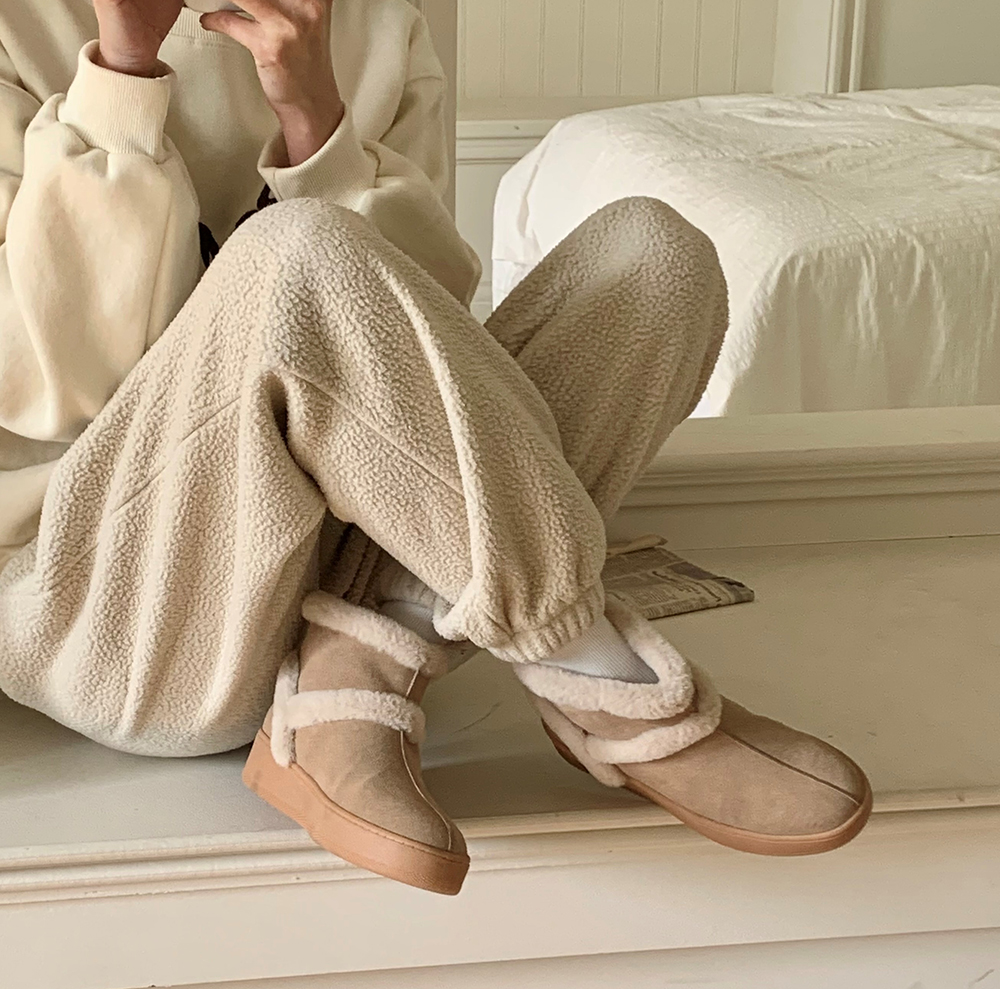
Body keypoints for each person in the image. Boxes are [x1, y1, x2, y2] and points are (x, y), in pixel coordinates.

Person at [0, 0, 871, 896]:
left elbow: (420, 341)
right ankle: (596, 672)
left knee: (655, 255)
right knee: (295, 249)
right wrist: (122, 73)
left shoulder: (377, 22)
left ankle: (358, 666)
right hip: (127, 620)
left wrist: (313, 122)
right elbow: (56, 382)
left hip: (340, 574)